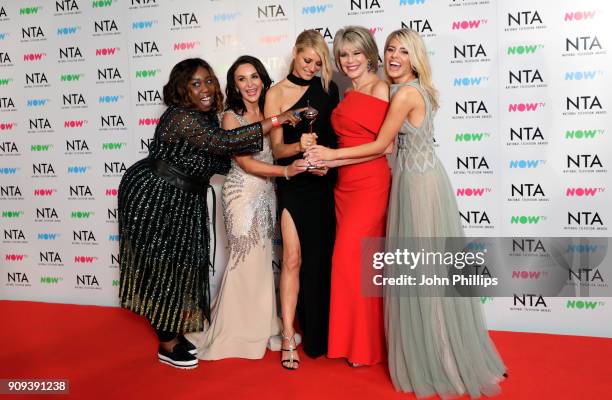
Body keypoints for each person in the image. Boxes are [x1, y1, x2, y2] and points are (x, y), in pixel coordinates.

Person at [307, 29, 506, 398]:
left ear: (414, 58)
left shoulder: (402, 93)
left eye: (403, 51)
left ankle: (441, 357)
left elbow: (382, 144)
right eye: (391, 49)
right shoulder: (401, 90)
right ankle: (427, 348)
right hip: (412, 180)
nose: (395, 56)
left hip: (417, 186)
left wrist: (330, 156)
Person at [118, 58, 302, 370]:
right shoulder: (181, 117)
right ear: (182, 89)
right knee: (165, 265)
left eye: (208, 82)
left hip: (185, 195)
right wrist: (278, 120)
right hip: (157, 195)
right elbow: (225, 144)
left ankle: (179, 330)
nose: (205, 89)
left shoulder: (205, 118)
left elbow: (221, 157)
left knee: (184, 265)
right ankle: (167, 343)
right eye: (196, 83)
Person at [190, 56, 307, 360]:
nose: (250, 84)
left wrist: (299, 150)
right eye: (242, 79)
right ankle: (238, 330)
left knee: (263, 261)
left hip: (268, 192)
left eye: (254, 76)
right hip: (241, 194)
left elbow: (278, 149)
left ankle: (265, 323)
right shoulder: (231, 116)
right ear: (234, 85)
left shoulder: (269, 109)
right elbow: (245, 162)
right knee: (244, 260)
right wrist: (285, 172)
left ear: (263, 79)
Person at [311, 26, 392, 367]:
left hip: (370, 185)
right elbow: (349, 142)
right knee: (354, 265)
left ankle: (365, 348)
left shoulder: (381, 88)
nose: (350, 60)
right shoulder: (348, 93)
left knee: (354, 262)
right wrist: (326, 161)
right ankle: (353, 342)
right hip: (343, 186)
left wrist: (331, 156)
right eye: (343, 55)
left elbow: (383, 147)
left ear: (370, 54)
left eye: (356, 53)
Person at [264, 29, 339, 370]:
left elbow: (338, 141)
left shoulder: (328, 89)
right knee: (292, 259)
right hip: (293, 183)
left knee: (320, 262)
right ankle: (287, 337)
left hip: (322, 185)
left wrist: (326, 162)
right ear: (295, 52)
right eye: (307, 60)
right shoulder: (276, 93)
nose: (311, 67)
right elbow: (277, 148)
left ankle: (320, 334)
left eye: (318, 63)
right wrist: (298, 149)